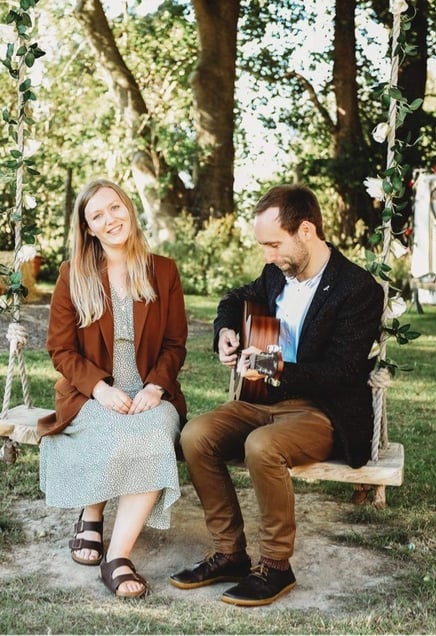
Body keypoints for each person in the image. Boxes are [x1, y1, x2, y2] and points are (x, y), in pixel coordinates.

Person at [169, 184, 384, 606]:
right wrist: (225, 333)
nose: (268, 255)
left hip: (322, 412)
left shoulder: (357, 289)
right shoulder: (276, 275)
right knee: (195, 435)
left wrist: (269, 366)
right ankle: (229, 552)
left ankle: (276, 566)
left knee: (262, 446)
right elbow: (234, 300)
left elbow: (340, 374)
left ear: (306, 230)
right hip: (259, 401)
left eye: (273, 244)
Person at [38, 178, 188, 600]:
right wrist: (99, 389)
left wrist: (157, 387)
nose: (110, 220)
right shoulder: (74, 275)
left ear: (129, 208)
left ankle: (116, 555)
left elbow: (176, 345)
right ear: (87, 228)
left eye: (115, 208)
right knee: (110, 428)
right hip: (91, 393)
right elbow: (61, 349)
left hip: (151, 393)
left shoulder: (163, 271)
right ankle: (92, 511)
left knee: (154, 432)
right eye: (97, 216)